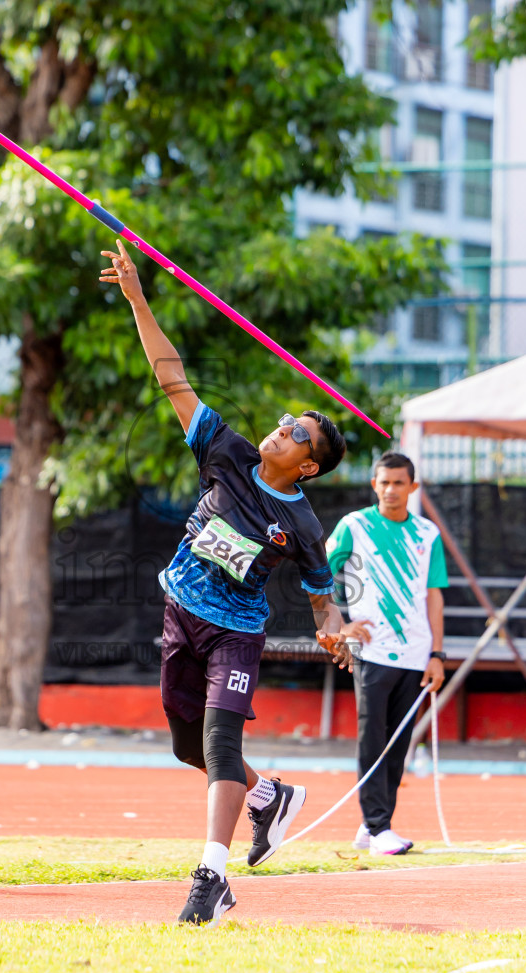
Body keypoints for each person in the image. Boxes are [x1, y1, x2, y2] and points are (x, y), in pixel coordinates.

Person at [100, 239, 354, 924]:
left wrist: (337, 633)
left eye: (294, 433)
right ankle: (268, 795)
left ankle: (209, 879)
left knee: (218, 747)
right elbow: (171, 378)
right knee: (187, 746)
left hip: (235, 634)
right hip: (178, 611)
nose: (278, 430)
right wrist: (136, 297)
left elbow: (320, 603)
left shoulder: (303, 528)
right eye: (283, 422)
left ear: (306, 466)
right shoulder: (228, 453)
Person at [326, 451, 448, 855]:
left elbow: (434, 597)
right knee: (371, 737)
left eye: (399, 482)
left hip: (416, 653)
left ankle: (372, 827)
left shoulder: (428, 534)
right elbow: (318, 572)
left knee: (399, 743)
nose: (391, 490)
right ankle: (379, 827)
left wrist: (438, 654)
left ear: (413, 487)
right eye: (384, 482)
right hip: (371, 651)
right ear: (373, 485)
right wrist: (341, 624)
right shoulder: (354, 525)